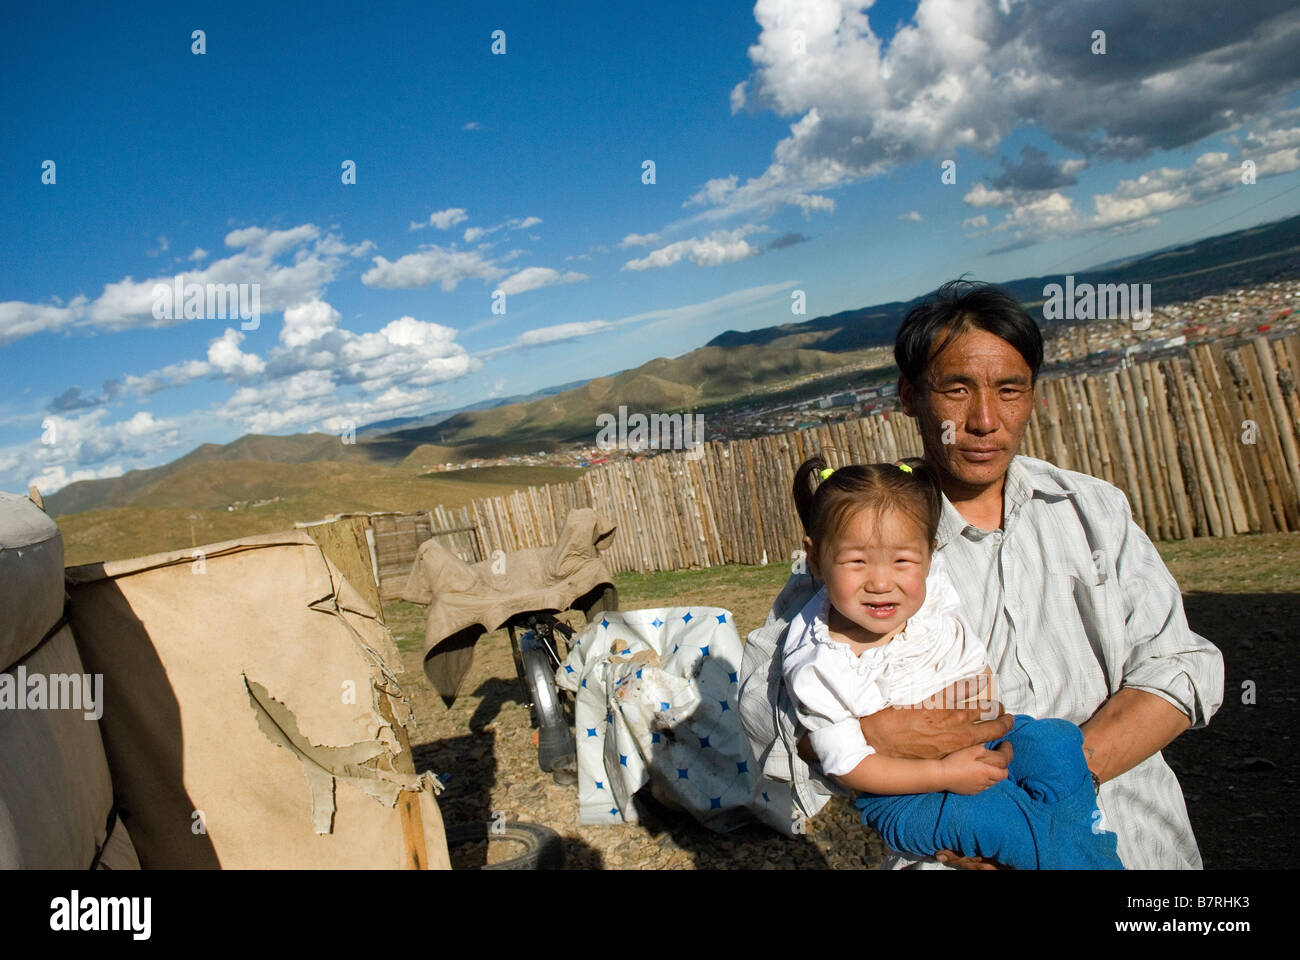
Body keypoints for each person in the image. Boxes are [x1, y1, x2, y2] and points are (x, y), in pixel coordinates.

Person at [739, 279, 1224, 869]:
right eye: (957, 389)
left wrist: (1052, 786)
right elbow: (760, 699)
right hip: (955, 848)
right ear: (910, 396)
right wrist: (855, 736)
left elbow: (1181, 665)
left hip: (1141, 831)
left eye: (1009, 389)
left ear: (1033, 396)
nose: (985, 419)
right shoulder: (864, 537)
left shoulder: (1092, 510)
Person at [783, 454, 1122, 869]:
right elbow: (850, 766)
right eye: (856, 561)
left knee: (1056, 741)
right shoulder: (819, 664)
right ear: (815, 560)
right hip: (906, 795)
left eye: (903, 561)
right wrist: (944, 775)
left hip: (991, 739)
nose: (880, 582)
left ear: (930, 556)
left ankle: (1078, 838)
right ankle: (1071, 855)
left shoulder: (930, 589)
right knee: (996, 819)